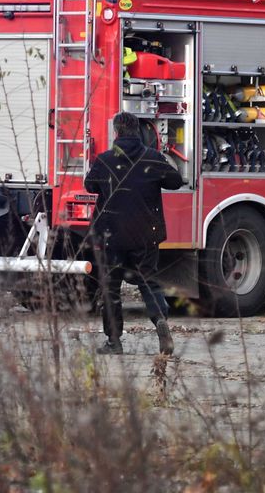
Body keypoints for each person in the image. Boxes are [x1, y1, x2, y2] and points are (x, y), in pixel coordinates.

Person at [84, 111, 183, 355]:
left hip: (112, 235)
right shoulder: (152, 158)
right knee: (148, 281)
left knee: (111, 287)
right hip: (145, 234)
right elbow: (176, 181)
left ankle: (114, 342)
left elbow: (89, 185)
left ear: (116, 133)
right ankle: (159, 320)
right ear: (138, 131)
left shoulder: (105, 159)